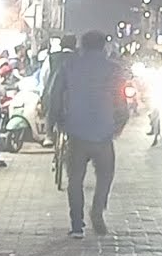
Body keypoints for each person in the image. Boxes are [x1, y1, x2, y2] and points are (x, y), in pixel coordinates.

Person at [48, 30, 129, 238]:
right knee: (105, 175)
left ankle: (77, 225)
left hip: (76, 130)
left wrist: (54, 122)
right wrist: (119, 123)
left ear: (82, 47)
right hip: (103, 132)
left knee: (75, 179)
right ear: (104, 47)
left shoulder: (69, 66)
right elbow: (121, 100)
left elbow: (55, 95)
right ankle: (97, 210)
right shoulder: (114, 70)